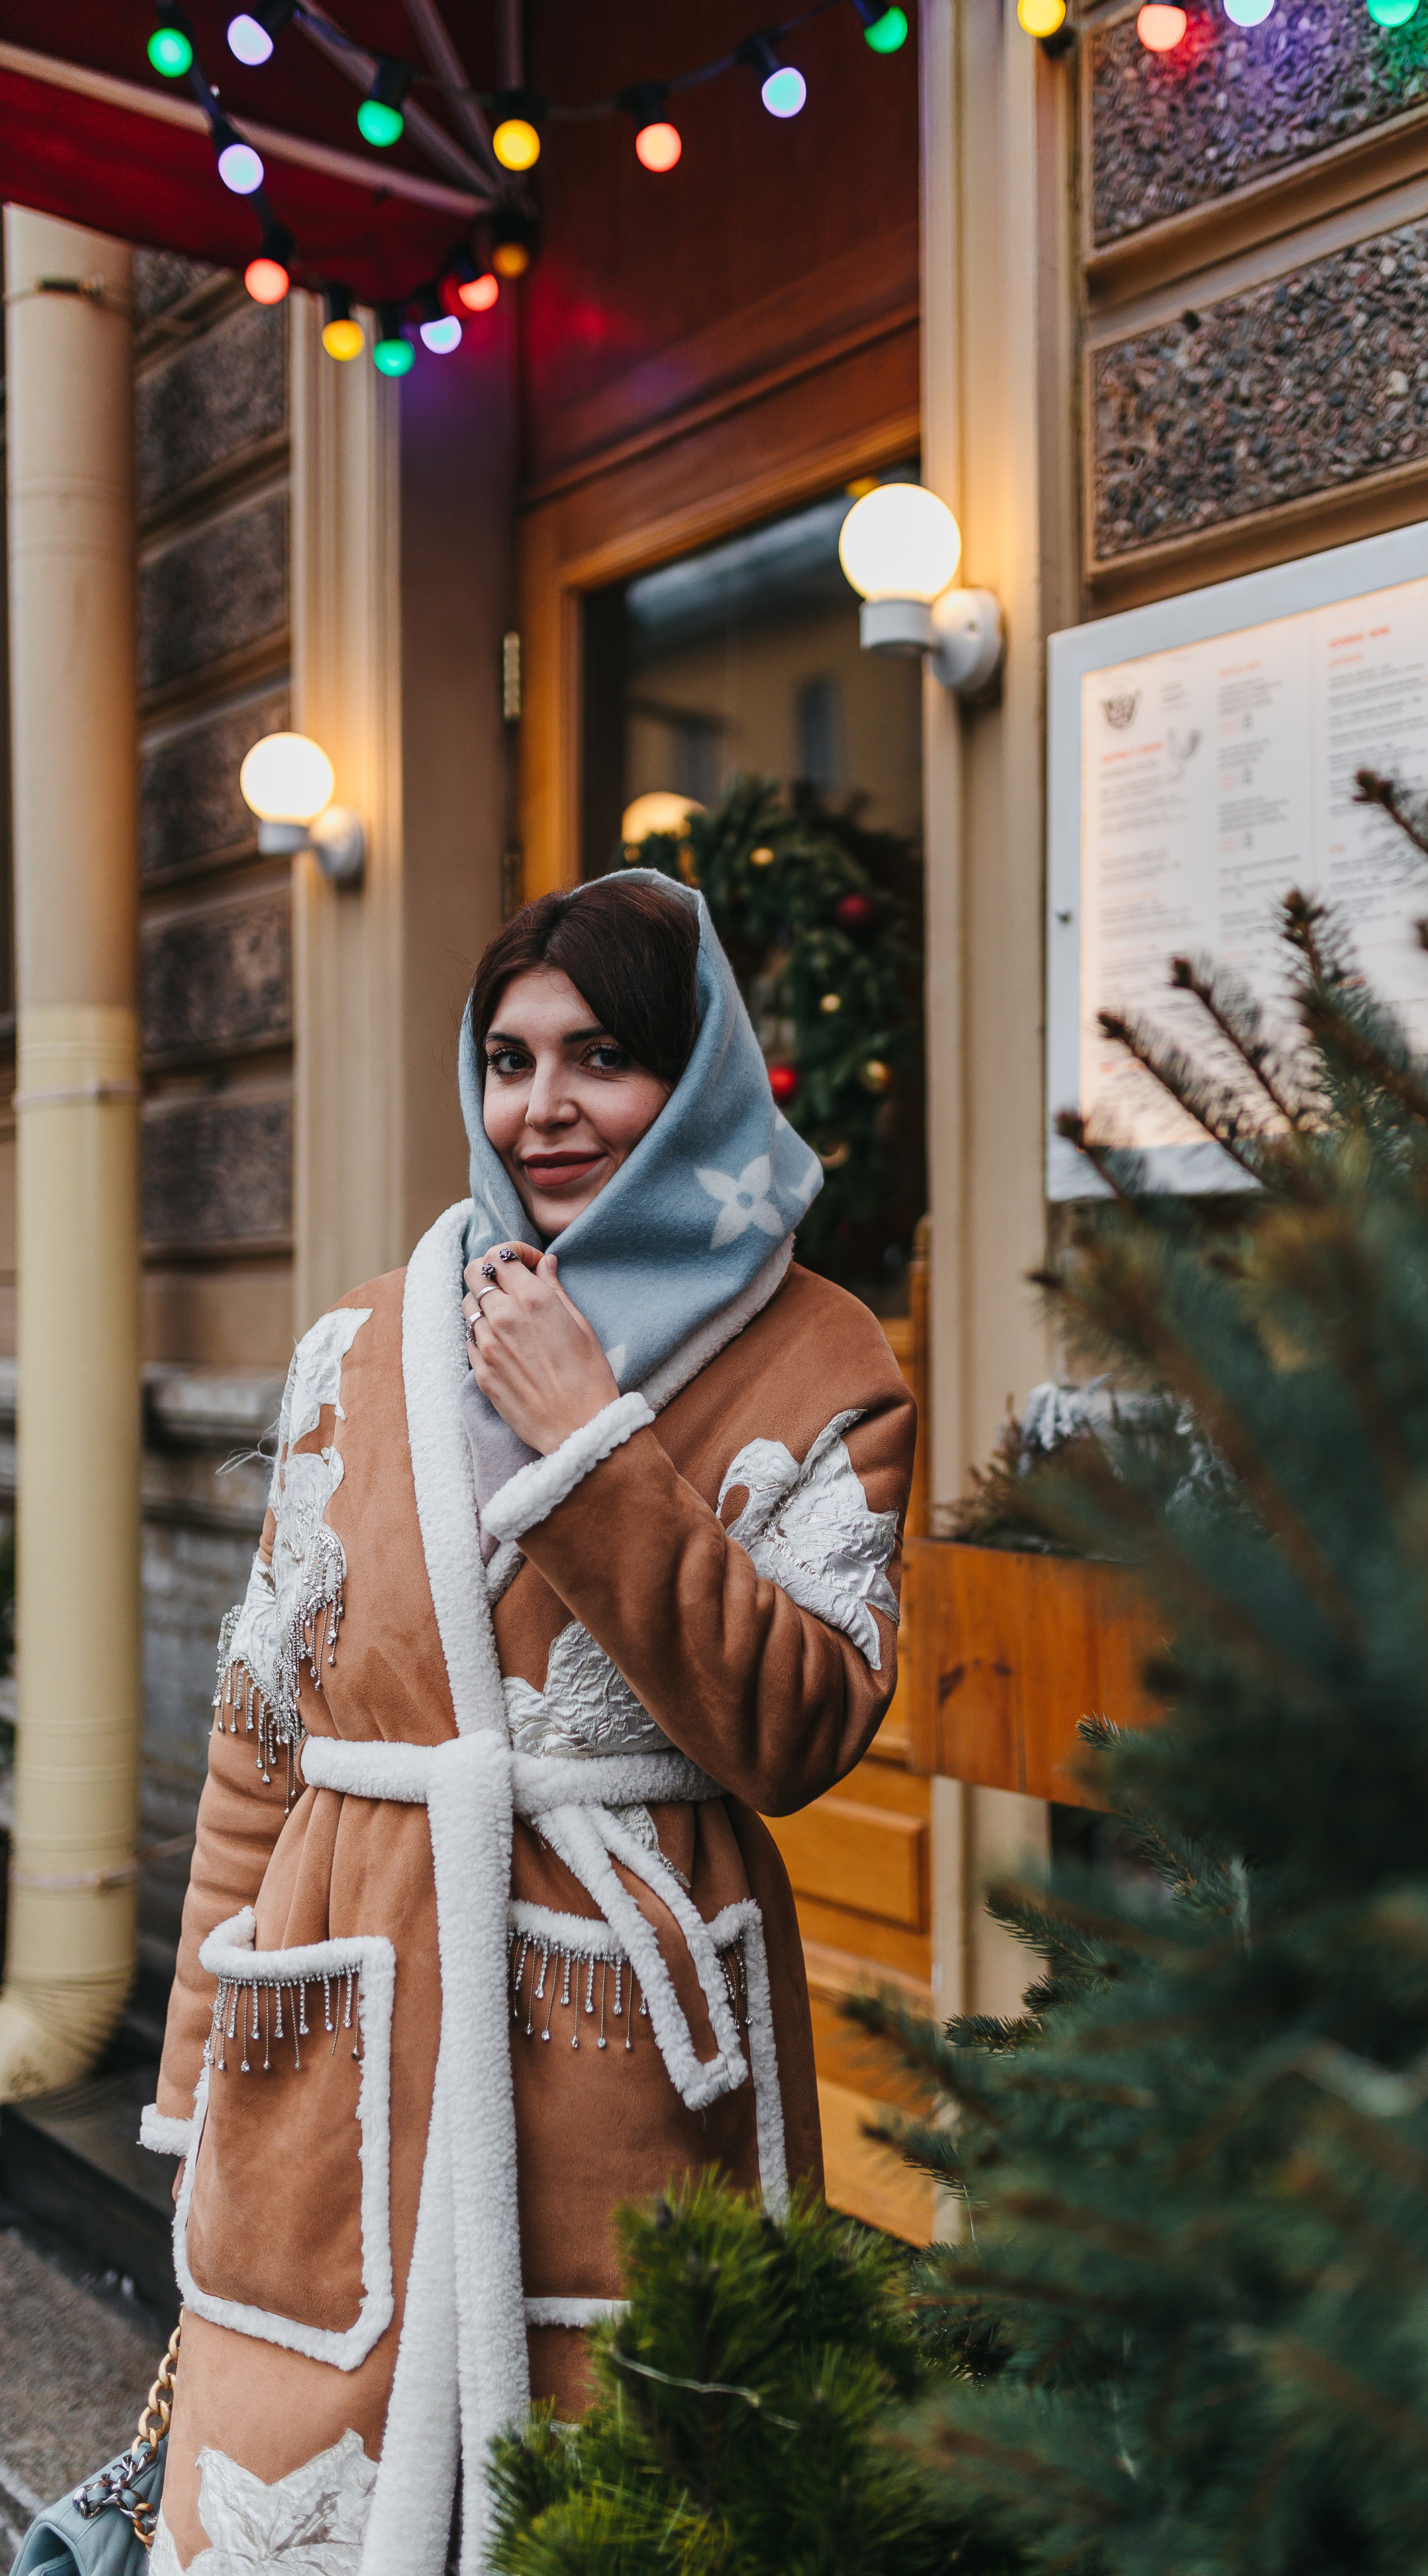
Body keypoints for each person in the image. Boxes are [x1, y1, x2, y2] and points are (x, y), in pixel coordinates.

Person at [138, 871, 915, 2574]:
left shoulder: (818, 1356)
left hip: (620, 2037)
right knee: (297, 2486)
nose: (543, 1108)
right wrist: (201, 2068)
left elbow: (797, 1729)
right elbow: (260, 1739)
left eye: (602, 1057)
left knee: (616, 2482)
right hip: (336, 2008)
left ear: (699, 1074)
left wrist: (589, 1446)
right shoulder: (362, 1343)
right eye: (508, 1059)